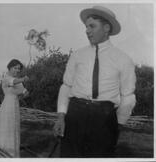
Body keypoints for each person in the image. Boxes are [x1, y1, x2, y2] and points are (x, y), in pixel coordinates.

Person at [53, 6, 136, 157]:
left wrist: (118, 124)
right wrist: (61, 116)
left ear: (106, 28)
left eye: (92, 26)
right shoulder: (77, 56)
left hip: (104, 118)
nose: (87, 31)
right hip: (75, 115)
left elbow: (128, 96)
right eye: (86, 27)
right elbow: (66, 86)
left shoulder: (123, 60)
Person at [0, 59, 29, 157]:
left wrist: (24, 93)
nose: (17, 70)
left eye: (19, 69)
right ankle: (2, 155)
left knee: (14, 130)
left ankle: (12, 155)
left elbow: (24, 92)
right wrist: (23, 79)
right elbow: (14, 81)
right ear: (9, 68)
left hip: (15, 107)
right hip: (7, 108)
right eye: (15, 68)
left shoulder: (18, 81)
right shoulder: (6, 78)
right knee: (6, 130)